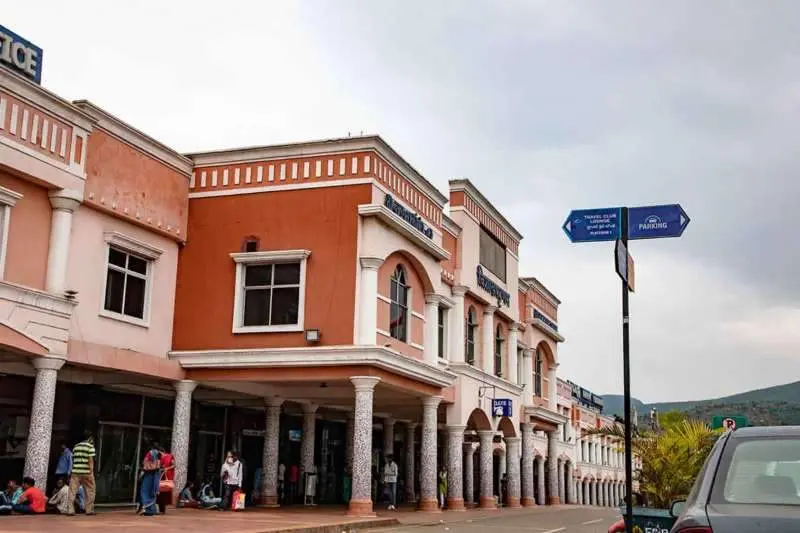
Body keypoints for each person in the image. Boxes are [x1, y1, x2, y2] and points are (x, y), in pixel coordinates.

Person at [67, 431, 96, 516]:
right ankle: (89, 510)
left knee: (72, 491)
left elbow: (74, 460)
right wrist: (91, 472)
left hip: (75, 472)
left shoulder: (76, 447)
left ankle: (70, 510)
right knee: (90, 491)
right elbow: (90, 460)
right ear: (89, 438)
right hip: (87, 472)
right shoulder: (90, 447)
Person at [139, 442, 162, 516]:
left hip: (149, 475)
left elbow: (145, 463)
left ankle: (148, 510)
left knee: (145, 491)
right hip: (156, 475)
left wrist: (142, 471)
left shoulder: (149, 453)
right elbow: (159, 466)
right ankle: (153, 510)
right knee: (153, 491)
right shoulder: (160, 454)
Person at [157, 445, 175, 514]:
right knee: (159, 493)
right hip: (161, 475)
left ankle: (162, 509)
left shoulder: (170, 456)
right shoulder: (159, 458)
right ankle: (160, 509)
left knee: (165, 492)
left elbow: (174, 465)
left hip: (167, 476)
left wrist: (167, 468)